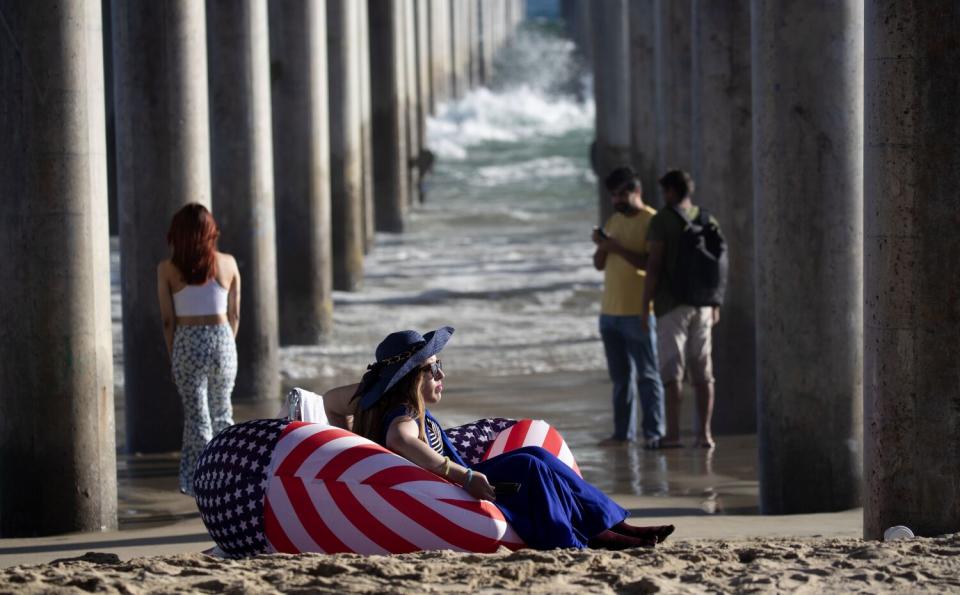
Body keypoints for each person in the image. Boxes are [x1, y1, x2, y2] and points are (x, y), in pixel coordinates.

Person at [325, 326, 675, 550]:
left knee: (536, 454)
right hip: (445, 488)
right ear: (410, 378)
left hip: (447, 476)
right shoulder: (402, 412)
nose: (441, 373)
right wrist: (465, 475)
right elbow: (401, 440)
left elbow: (330, 401)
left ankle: (613, 525)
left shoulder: (388, 401)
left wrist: (354, 434)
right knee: (527, 466)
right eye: (433, 369)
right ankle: (575, 540)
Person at [157, 203, 241, 496]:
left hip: (187, 341)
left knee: (197, 417)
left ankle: (203, 483)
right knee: (222, 412)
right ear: (211, 232)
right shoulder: (228, 263)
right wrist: (225, 345)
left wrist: (174, 355)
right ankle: (230, 478)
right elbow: (235, 315)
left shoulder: (168, 269)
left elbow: (169, 321)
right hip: (222, 340)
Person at [641, 170, 719, 449]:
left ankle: (673, 436)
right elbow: (718, 264)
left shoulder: (662, 220)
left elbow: (654, 265)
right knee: (703, 371)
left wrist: (644, 305)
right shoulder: (707, 218)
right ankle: (705, 435)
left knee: (672, 372)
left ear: (672, 192)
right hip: (704, 305)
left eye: (665, 192)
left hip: (671, 305)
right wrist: (715, 302)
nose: (663, 197)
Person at [592, 166, 665, 449]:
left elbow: (649, 265)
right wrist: (602, 245)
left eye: (622, 194)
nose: (617, 200)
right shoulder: (615, 219)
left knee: (648, 375)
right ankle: (622, 434)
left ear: (637, 191)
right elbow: (599, 264)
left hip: (639, 312)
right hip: (609, 313)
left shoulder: (652, 221)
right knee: (620, 380)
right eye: (613, 195)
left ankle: (654, 433)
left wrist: (616, 247)